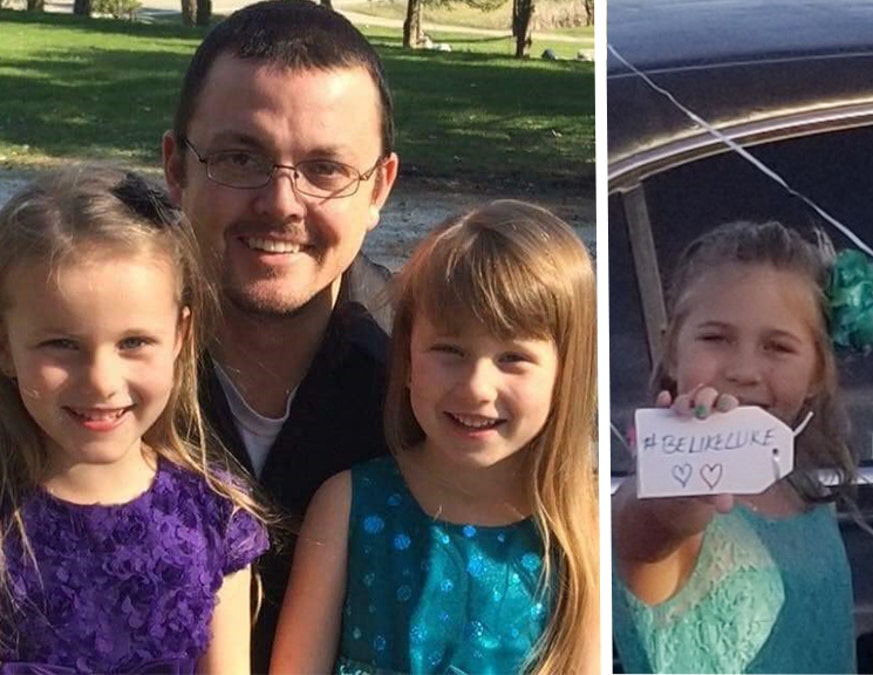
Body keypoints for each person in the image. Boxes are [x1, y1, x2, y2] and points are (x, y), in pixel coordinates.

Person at [160, 0, 400, 666]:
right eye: (241, 158)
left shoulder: (433, 386)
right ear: (175, 167)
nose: (282, 203)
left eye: (326, 169)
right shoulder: (79, 368)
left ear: (378, 188)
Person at [270, 201, 600, 674]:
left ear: (565, 374)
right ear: (406, 360)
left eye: (513, 358)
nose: (476, 388)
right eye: (450, 351)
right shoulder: (348, 506)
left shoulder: (580, 528)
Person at [0, 167, 269, 672]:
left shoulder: (218, 519)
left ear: (180, 337)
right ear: (5, 345)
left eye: (134, 342)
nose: (101, 380)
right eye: (62, 344)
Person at [611, 220, 873, 673]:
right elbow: (654, 522)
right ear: (672, 351)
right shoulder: (667, 494)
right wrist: (687, 475)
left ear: (816, 373)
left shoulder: (804, 493)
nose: (744, 370)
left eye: (778, 347)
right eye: (716, 339)